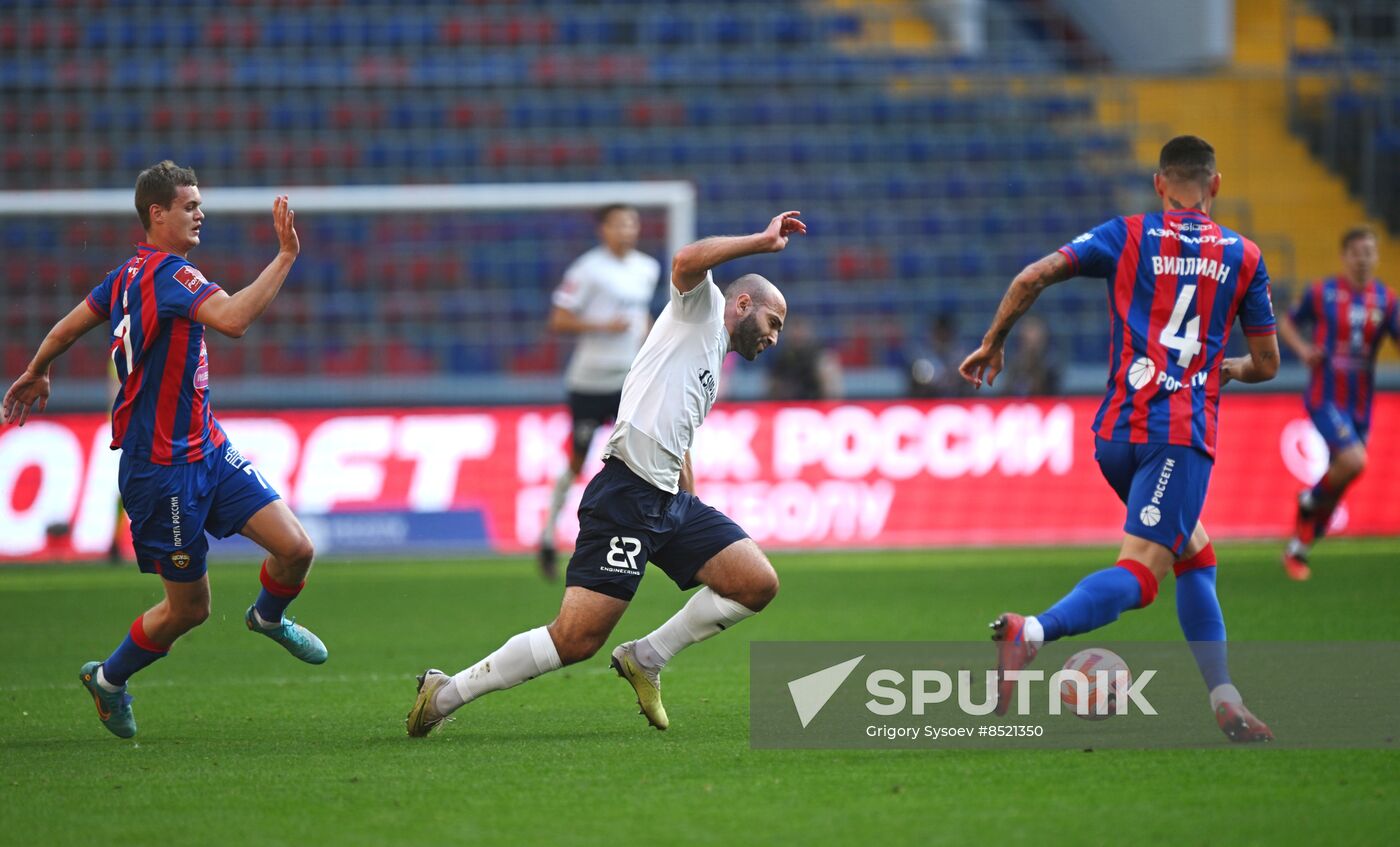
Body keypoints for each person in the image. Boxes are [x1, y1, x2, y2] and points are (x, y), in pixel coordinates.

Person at [407, 210, 806, 736]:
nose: (774, 338)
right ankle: (445, 692)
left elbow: (674, 428)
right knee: (575, 640)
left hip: (668, 500)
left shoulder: (711, 357)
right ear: (743, 303)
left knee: (755, 583)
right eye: (773, 323)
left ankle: (647, 656)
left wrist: (691, 504)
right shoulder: (701, 312)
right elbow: (686, 260)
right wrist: (759, 241)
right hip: (627, 495)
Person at [958, 136, 1279, 742]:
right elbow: (1266, 362)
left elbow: (1035, 275)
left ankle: (1225, 699)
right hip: (1178, 434)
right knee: (1143, 574)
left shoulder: (1128, 233)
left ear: (1160, 184)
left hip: (1114, 434)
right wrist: (1226, 368)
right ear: (1215, 184)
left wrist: (995, 340)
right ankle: (1032, 632)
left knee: (1196, 555)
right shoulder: (1244, 255)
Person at [1, 161, 326, 739]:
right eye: (189, 204)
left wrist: (38, 369)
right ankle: (108, 679)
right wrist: (285, 257)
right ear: (158, 213)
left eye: (199, 202)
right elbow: (233, 321)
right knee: (189, 610)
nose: (200, 212)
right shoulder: (170, 276)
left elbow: (68, 326)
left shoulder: (126, 276)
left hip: (208, 448)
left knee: (296, 548)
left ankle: (267, 616)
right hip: (160, 472)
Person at [538, 204, 661, 581]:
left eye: (633, 223)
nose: (628, 230)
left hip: (628, 381)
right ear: (603, 230)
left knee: (640, 458)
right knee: (578, 461)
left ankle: (648, 537)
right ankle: (547, 536)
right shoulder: (587, 270)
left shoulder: (648, 268)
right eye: (620, 223)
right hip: (589, 382)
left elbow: (642, 318)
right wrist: (602, 325)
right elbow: (558, 318)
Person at [1277, 225, 1398, 580]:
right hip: (1325, 397)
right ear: (1345, 256)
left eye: (1369, 253)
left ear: (1376, 258)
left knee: (1342, 480)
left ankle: (1297, 551)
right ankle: (1309, 499)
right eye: (1357, 253)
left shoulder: (1387, 301)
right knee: (1354, 461)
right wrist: (1303, 351)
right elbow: (1287, 323)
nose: (1363, 259)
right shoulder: (1323, 293)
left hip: (1361, 404)